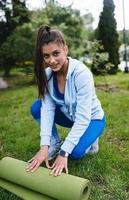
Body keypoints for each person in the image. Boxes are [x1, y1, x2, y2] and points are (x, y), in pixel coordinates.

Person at [26, 25, 106, 176]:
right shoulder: (47, 75)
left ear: (66, 50)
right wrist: (44, 146)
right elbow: (48, 110)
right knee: (37, 107)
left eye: (56, 53)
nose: (52, 60)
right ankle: (55, 144)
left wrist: (64, 154)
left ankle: (92, 139)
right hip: (70, 117)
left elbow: (83, 118)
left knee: (74, 153)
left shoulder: (81, 74)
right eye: (46, 56)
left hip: (91, 119)